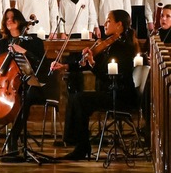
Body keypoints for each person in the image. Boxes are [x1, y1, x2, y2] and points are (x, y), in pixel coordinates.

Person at [53, 10, 139, 160]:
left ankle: (81, 146)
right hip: (110, 92)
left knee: (80, 99)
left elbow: (108, 75)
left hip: (120, 95)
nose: (105, 24)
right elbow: (90, 66)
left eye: (108, 21)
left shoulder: (123, 47)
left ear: (119, 25)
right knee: (75, 98)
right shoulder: (110, 44)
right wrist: (65, 66)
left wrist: (92, 62)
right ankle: (77, 143)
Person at [0, 8, 46, 154]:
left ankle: (13, 139)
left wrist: (24, 52)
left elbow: (42, 64)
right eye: (6, 19)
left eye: (13, 18)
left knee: (26, 97)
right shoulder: (1, 43)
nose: (9, 21)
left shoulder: (34, 42)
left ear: (20, 21)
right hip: (5, 86)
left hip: (27, 86)